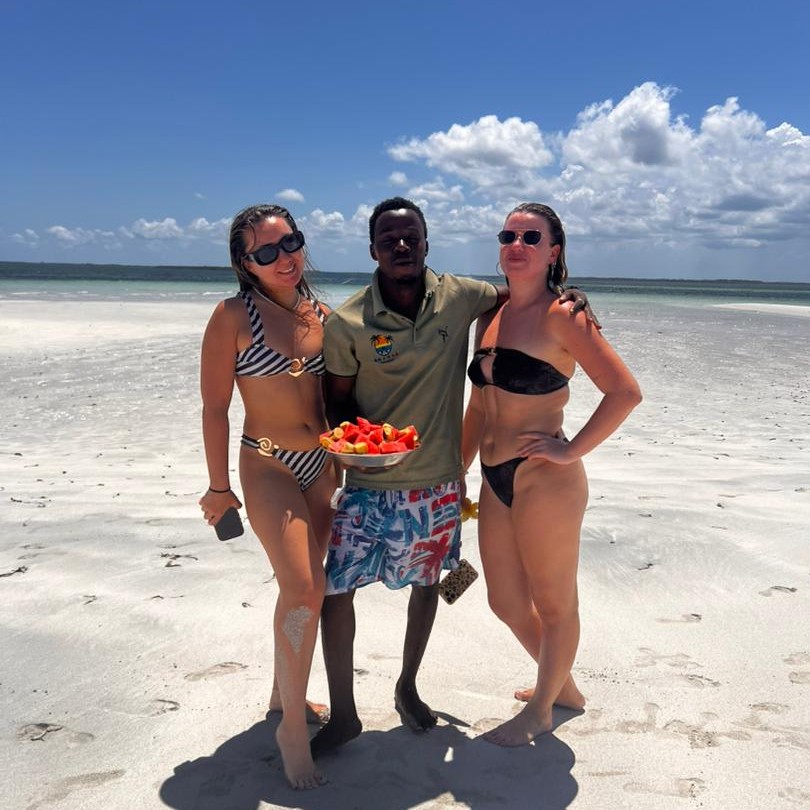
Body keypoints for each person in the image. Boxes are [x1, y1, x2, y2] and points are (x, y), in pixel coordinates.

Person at [310, 197, 593, 757]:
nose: (400, 246)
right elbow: (336, 405)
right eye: (388, 239)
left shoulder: (460, 296)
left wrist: (570, 292)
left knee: (435, 584)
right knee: (335, 591)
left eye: (410, 237)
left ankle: (410, 688)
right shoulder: (346, 322)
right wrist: (357, 449)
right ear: (372, 250)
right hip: (370, 486)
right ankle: (343, 714)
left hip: (444, 485)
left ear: (426, 244)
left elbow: (524, 294)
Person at [461, 202, 642, 746]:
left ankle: (542, 709)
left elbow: (625, 392)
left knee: (555, 602)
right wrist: (456, 471)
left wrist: (571, 451)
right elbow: (479, 404)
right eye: (508, 236)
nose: (516, 245)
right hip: (493, 474)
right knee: (504, 601)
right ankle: (564, 689)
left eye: (531, 237)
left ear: (553, 251)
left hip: (546, 479)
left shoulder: (564, 315)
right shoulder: (490, 314)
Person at [198, 204, 338, 789]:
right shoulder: (233, 316)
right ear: (244, 262)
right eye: (266, 251)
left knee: (307, 584)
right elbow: (215, 408)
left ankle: (285, 695)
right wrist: (219, 487)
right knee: (304, 587)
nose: (284, 258)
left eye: (291, 243)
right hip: (268, 463)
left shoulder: (324, 315)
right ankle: (291, 731)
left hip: (323, 466)